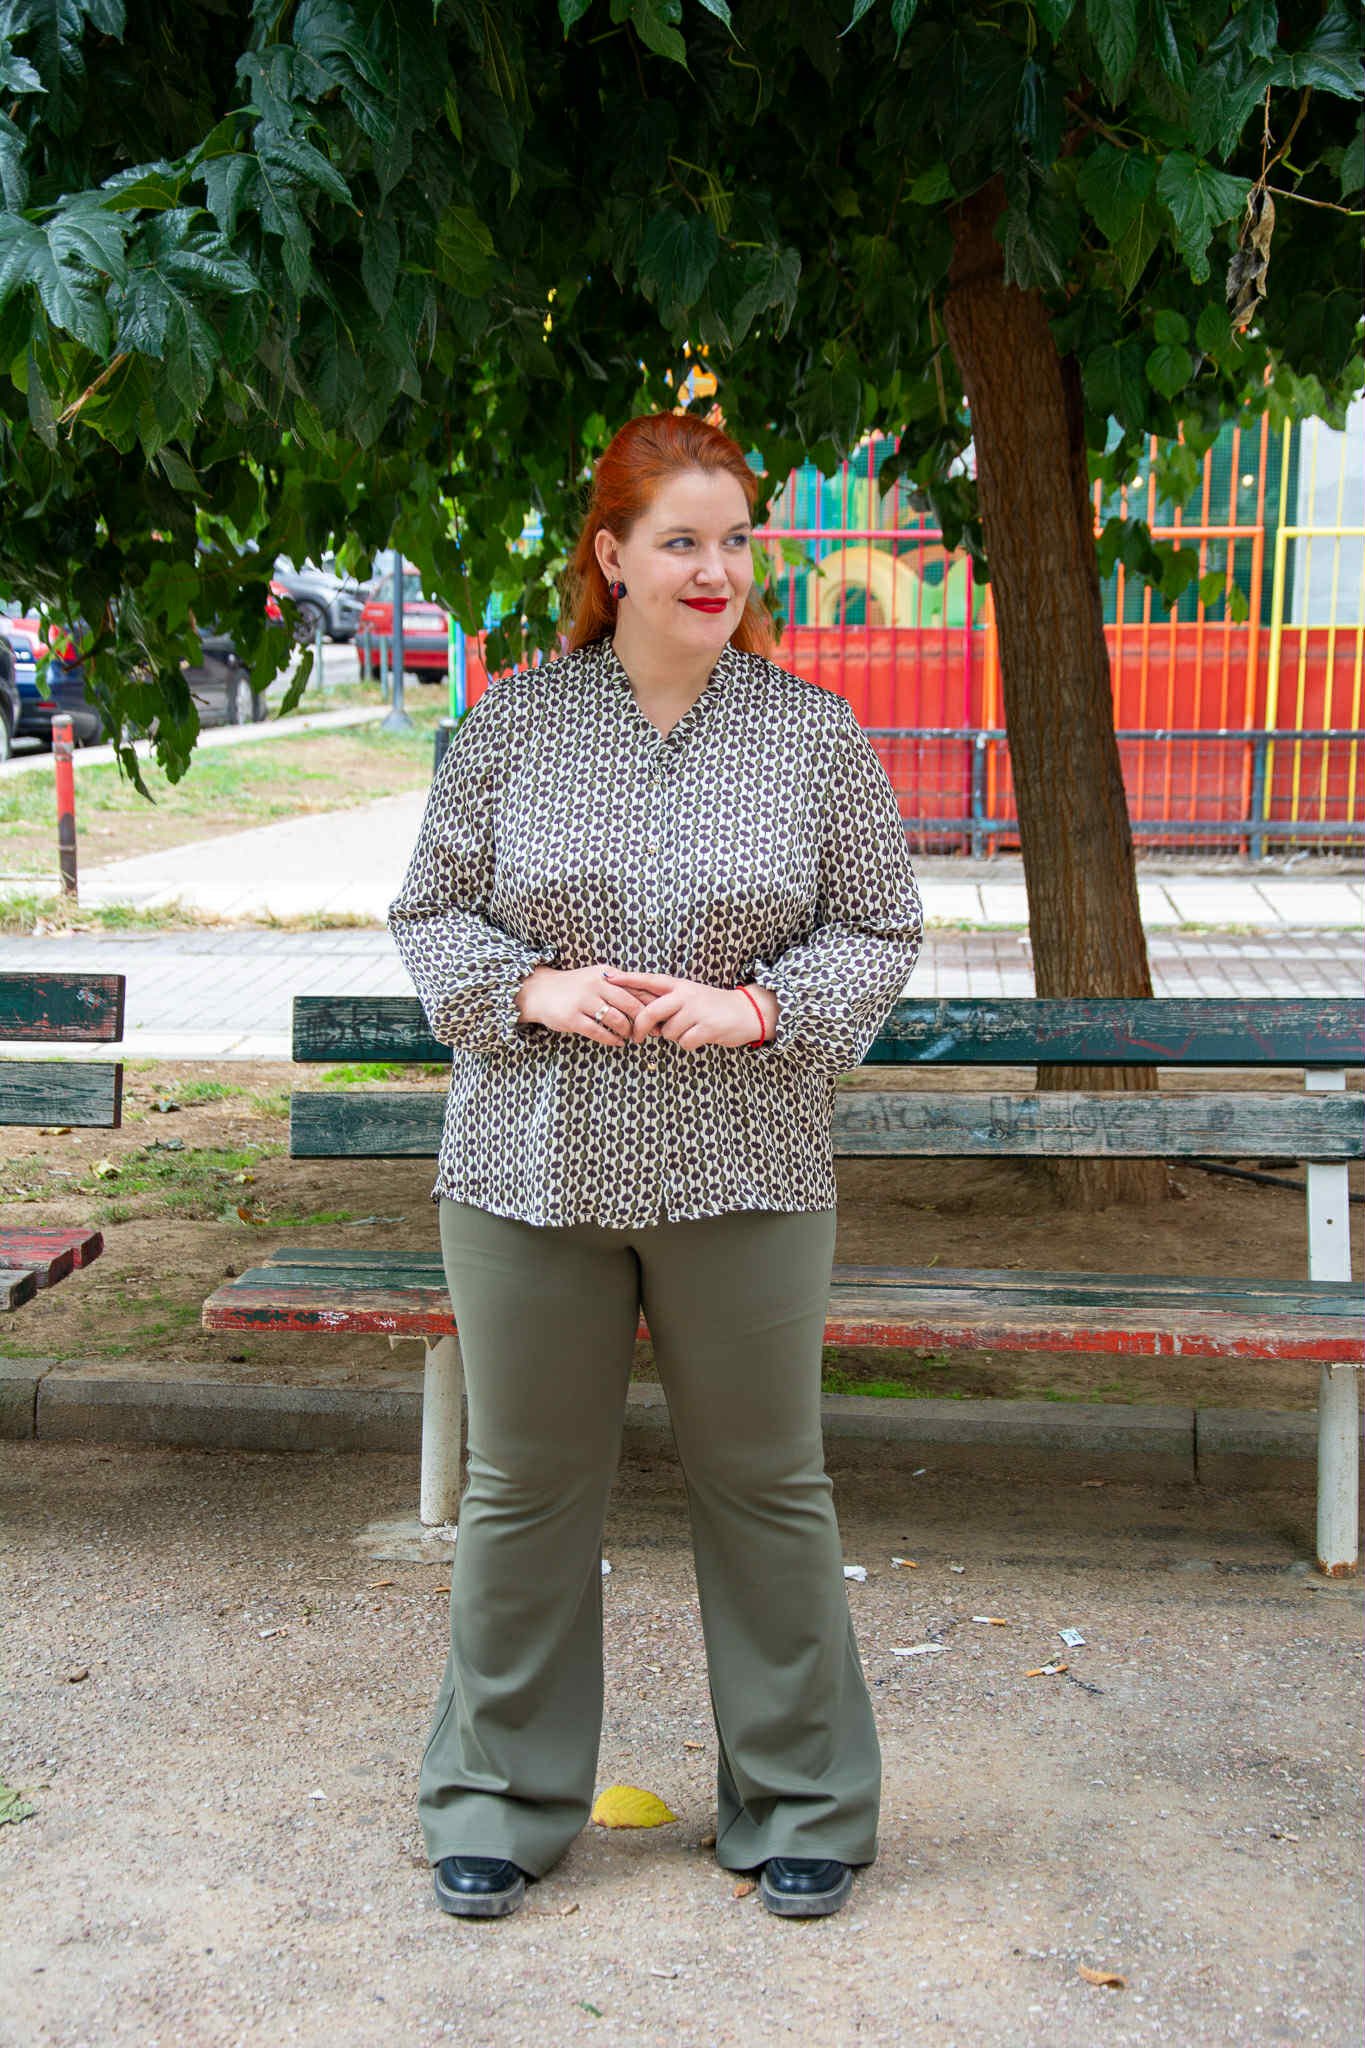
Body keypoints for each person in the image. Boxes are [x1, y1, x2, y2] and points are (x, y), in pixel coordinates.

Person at [388, 411, 923, 1922]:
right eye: (681, 540)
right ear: (611, 555)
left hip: (747, 1162)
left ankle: (803, 1801)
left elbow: (881, 928)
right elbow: (430, 910)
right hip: (529, 1163)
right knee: (524, 1488)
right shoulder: (511, 724)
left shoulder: (811, 735)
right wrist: (526, 987)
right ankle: (497, 1798)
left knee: (766, 1485)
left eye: (735, 540)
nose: (715, 570)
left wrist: (763, 1008)